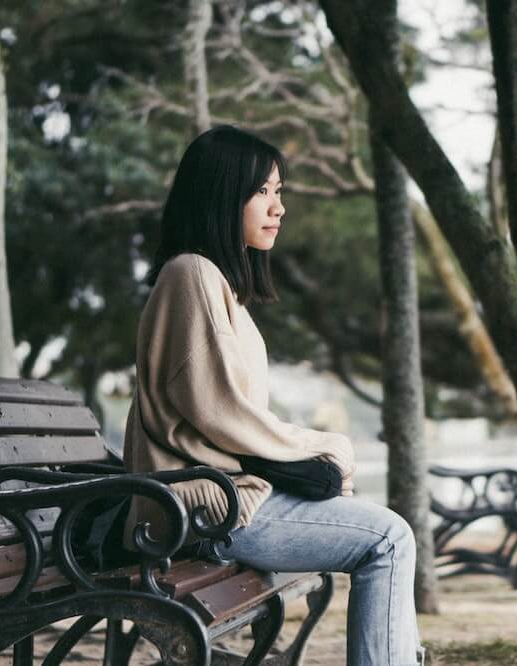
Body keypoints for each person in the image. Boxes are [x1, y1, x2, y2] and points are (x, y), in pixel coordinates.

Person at [120, 125, 424, 665]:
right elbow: (223, 414)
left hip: (220, 501)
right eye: (263, 191)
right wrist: (324, 446)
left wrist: (314, 450)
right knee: (389, 540)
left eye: (279, 191)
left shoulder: (214, 284)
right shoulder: (191, 275)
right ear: (221, 193)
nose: (278, 207)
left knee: (387, 535)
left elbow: (227, 412)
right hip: (206, 511)